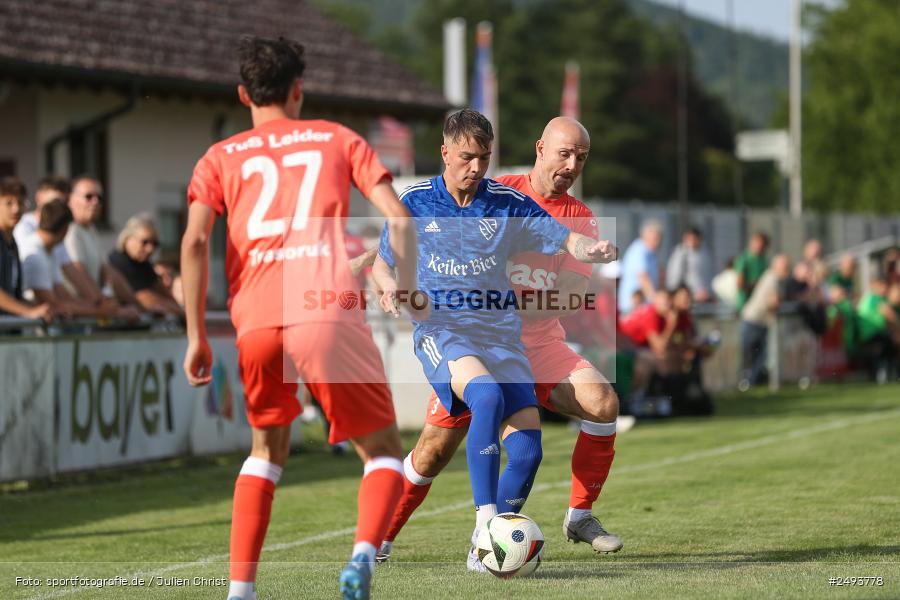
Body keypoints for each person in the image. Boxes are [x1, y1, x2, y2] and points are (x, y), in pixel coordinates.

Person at [180, 36, 417, 600]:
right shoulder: (338, 139)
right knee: (381, 450)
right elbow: (400, 221)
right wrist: (404, 289)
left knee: (265, 453)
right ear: (298, 90)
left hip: (258, 318)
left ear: (243, 94)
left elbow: (192, 241)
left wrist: (196, 335)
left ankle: (240, 591)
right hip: (325, 308)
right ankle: (362, 556)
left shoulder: (219, 157)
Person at [372, 112, 618, 570]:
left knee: (536, 444)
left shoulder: (515, 203)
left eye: (580, 157)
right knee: (433, 450)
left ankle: (525, 533)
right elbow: (395, 247)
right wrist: (383, 277)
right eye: (564, 153)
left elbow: (568, 257)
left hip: (526, 343)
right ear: (539, 149)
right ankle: (397, 535)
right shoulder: (434, 199)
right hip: (454, 335)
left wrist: (592, 251)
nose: (571, 164)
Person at [18, 200, 122, 319]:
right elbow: (53, 305)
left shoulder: (48, 251)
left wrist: (97, 306)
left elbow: (64, 296)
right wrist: (100, 311)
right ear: (66, 229)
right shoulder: (35, 254)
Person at [14, 175, 101, 304]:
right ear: (39, 197)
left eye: (63, 202)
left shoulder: (53, 246)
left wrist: (97, 302)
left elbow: (70, 272)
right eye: (54, 201)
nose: (59, 208)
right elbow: (51, 301)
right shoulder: (23, 229)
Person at [65, 175, 140, 315]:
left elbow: (108, 272)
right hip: (74, 314)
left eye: (99, 198)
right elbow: (79, 272)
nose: (95, 202)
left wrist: (137, 305)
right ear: (70, 199)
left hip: (89, 313)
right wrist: (108, 307)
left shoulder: (90, 230)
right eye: (88, 196)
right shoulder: (69, 231)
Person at [108, 214, 183, 316]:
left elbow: (162, 291)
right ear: (128, 239)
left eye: (155, 244)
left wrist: (179, 311)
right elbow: (144, 298)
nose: (150, 249)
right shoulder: (118, 261)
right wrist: (182, 314)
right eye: (145, 242)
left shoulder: (143, 263)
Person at [0, 177, 52, 321]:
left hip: (9, 335)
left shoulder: (12, 243)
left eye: (20, 202)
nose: (16, 209)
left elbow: (14, 297)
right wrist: (29, 312)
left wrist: (45, 309)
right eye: (9, 203)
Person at [739, 254, 790, 389]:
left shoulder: (772, 278)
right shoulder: (772, 278)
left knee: (760, 357)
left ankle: (751, 384)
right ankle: (747, 384)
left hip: (759, 321)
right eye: (785, 267)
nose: (787, 270)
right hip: (753, 321)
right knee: (751, 356)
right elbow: (773, 303)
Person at [618, 219, 662, 314]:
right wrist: (656, 301)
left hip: (642, 306)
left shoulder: (650, 252)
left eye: (659, 238)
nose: (658, 242)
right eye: (655, 238)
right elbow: (643, 278)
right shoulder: (639, 251)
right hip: (633, 307)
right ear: (645, 236)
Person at [666, 226, 712, 303]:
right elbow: (675, 276)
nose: (692, 241)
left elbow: (709, 275)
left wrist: (708, 292)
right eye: (689, 239)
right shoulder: (680, 253)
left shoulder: (705, 253)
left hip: (704, 297)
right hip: (687, 297)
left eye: (695, 239)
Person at [734, 232, 770, 311]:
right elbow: (739, 284)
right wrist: (756, 285)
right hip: (746, 303)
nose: (759, 246)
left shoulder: (764, 260)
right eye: (757, 243)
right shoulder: (744, 259)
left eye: (762, 244)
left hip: (760, 304)